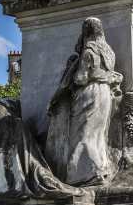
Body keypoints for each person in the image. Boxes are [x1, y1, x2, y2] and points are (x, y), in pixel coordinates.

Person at [45, 18, 122, 186]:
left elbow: (81, 78)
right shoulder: (108, 51)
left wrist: (70, 72)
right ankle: (101, 169)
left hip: (89, 93)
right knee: (98, 134)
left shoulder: (89, 51)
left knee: (82, 134)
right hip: (105, 93)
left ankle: (84, 174)